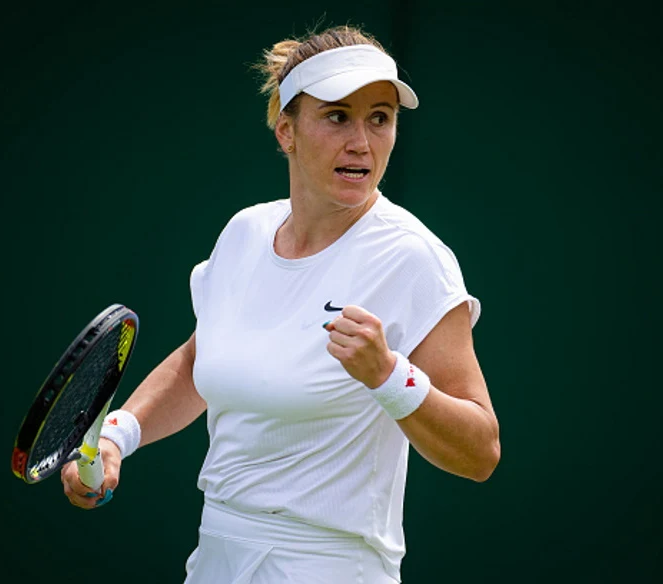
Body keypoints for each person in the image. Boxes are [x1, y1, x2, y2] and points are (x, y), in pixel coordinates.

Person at [61, 24, 501, 584]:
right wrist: (117, 437)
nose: (361, 142)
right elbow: (200, 361)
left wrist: (390, 376)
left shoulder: (414, 258)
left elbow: (480, 452)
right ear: (286, 131)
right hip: (217, 558)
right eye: (337, 116)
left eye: (380, 118)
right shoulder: (244, 234)